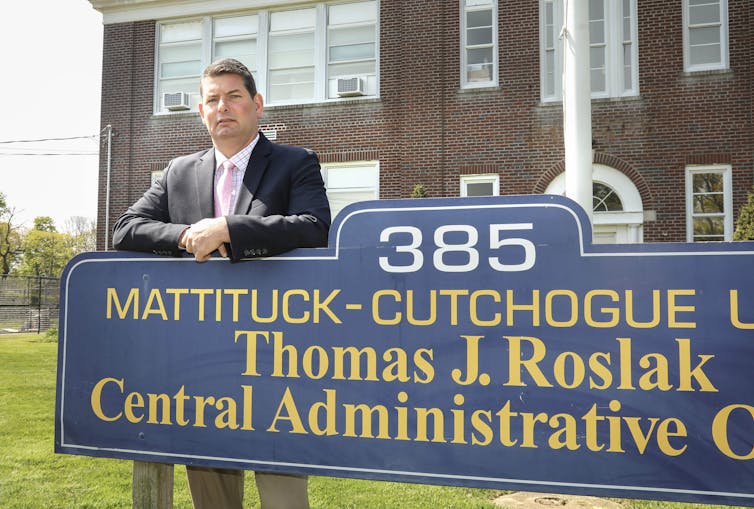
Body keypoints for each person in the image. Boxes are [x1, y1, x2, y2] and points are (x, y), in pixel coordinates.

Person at [112, 58, 330, 509]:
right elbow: (125, 228)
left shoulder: (295, 163)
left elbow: (314, 226)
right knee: (212, 495)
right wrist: (188, 235)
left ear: (257, 105)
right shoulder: (179, 171)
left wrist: (229, 229)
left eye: (233, 96)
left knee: (283, 496)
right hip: (201, 359)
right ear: (201, 111)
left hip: (274, 355)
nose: (223, 107)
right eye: (213, 99)